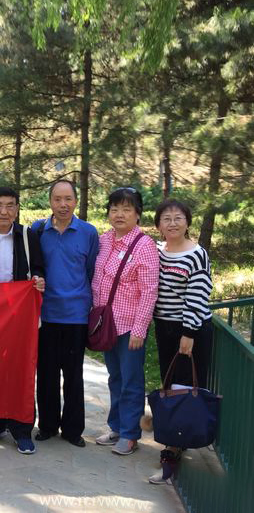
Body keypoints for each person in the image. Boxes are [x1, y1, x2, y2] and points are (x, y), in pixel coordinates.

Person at [0, 187, 45, 455]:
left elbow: (39, 267)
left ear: (17, 208)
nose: (4, 211)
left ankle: (22, 428)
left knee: (21, 370)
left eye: (10, 205)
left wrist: (38, 280)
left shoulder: (27, 235)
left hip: (19, 316)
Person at [149, 199, 213, 484]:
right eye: (166, 218)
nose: (172, 223)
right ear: (158, 225)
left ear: (187, 222)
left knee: (183, 389)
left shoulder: (197, 254)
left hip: (190, 329)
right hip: (165, 327)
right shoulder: (158, 251)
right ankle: (176, 438)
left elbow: (197, 296)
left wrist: (188, 333)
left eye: (178, 218)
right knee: (170, 383)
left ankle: (173, 452)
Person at [31, 180, 98, 449]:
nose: (63, 204)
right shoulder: (38, 230)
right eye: (57, 199)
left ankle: (72, 429)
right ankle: (47, 425)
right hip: (46, 313)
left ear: (75, 201)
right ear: (50, 202)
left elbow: (91, 270)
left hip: (76, 314)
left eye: (68, 199)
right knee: (46, 374)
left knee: (73, 375)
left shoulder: (88, 232)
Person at [93, 187, 159, 455]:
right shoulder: (104, 240)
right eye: (114, 209)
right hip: (107, 324)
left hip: (130, 326)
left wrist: (140, 329)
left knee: (131, 380)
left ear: (137, 214)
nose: (119, 214)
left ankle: (130, 434)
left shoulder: (144, 246)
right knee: (115, 377)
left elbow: (149, 291)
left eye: (126, 209)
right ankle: (116, 426)